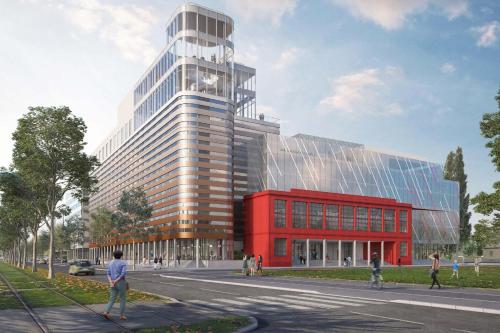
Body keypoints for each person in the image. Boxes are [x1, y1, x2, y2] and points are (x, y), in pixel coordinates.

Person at [102, 250, 127, 321]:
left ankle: (106, 312)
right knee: (122, 299)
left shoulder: (111, 263)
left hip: (112, 282)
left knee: (112, 298)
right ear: (121, 256)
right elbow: (123, 274)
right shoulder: (123, 263)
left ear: (114, 255)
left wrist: (111, 282)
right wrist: (116, 281)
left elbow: (108, 273)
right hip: (120, 282)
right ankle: (122, 315)